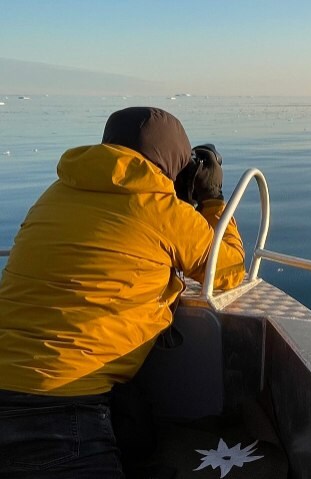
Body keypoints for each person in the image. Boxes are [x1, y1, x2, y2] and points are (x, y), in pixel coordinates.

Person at [0, 107, 246, 478]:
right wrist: (210, 198)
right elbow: (227, 270)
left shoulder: (55, 193)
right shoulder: (163, 211)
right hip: (63, 405)